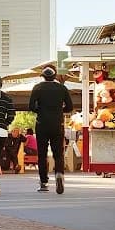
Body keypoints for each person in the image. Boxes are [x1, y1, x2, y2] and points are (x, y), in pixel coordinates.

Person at [29, 65, 73, 194]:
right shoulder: (62, 88)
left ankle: (44, 182)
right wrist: (59, 111)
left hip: (42, 123)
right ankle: (59, 173)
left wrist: (41, 111)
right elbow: (69, 107)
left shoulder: (37, 88)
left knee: (42, 154)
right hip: (57, 124)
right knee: (58, 153)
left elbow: (31, 106)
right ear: (55, 76)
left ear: (43, 76)